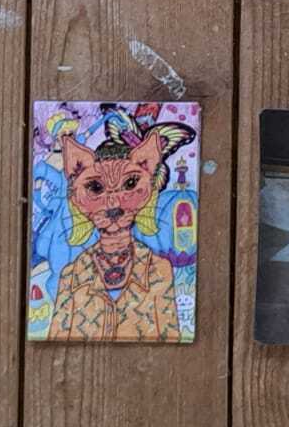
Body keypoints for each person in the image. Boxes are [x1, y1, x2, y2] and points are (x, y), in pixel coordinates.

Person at [48, 116, 196, 341]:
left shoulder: (159, 270)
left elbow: (171, 339)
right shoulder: (71, 276)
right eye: (95, 188)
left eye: (130, 184)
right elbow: (55, 341)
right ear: (75, 195)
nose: (113, 204)